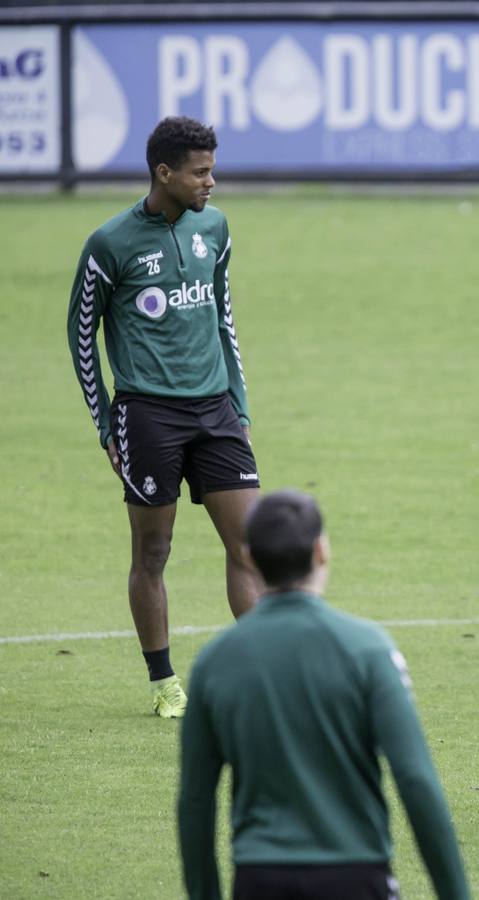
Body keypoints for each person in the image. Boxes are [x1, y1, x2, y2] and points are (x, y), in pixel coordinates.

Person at [177, 490, 471, 900]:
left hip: (259, 880)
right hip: (355, 875)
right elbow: (416, 779)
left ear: (247, 557)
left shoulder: (214, 662)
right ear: (321, 551)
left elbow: (194, 799)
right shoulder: (368, 650)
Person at [65, 116, 261, 717]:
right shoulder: (110, 244)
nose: (211, 182)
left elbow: (224, 318)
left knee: (250, 546)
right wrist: (106, 424)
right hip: (147, 413)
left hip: (216, 410)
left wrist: (240, 403)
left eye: (212, 169)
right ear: (164, 172)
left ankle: (263, 674)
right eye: (200, 172)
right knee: (153, 553)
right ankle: (163, 682)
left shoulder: (216, 228)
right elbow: (81, 335)